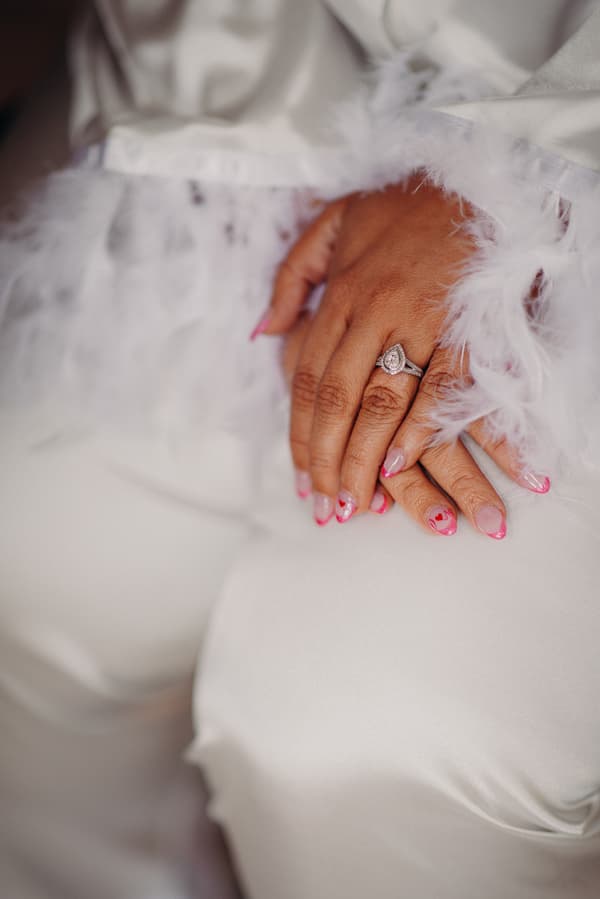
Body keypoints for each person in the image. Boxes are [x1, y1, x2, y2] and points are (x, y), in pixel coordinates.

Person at [1, 1, 600, 897]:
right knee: (40, 578)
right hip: (200, 99)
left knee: (373, 730)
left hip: (568, 160)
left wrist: (514, 171)